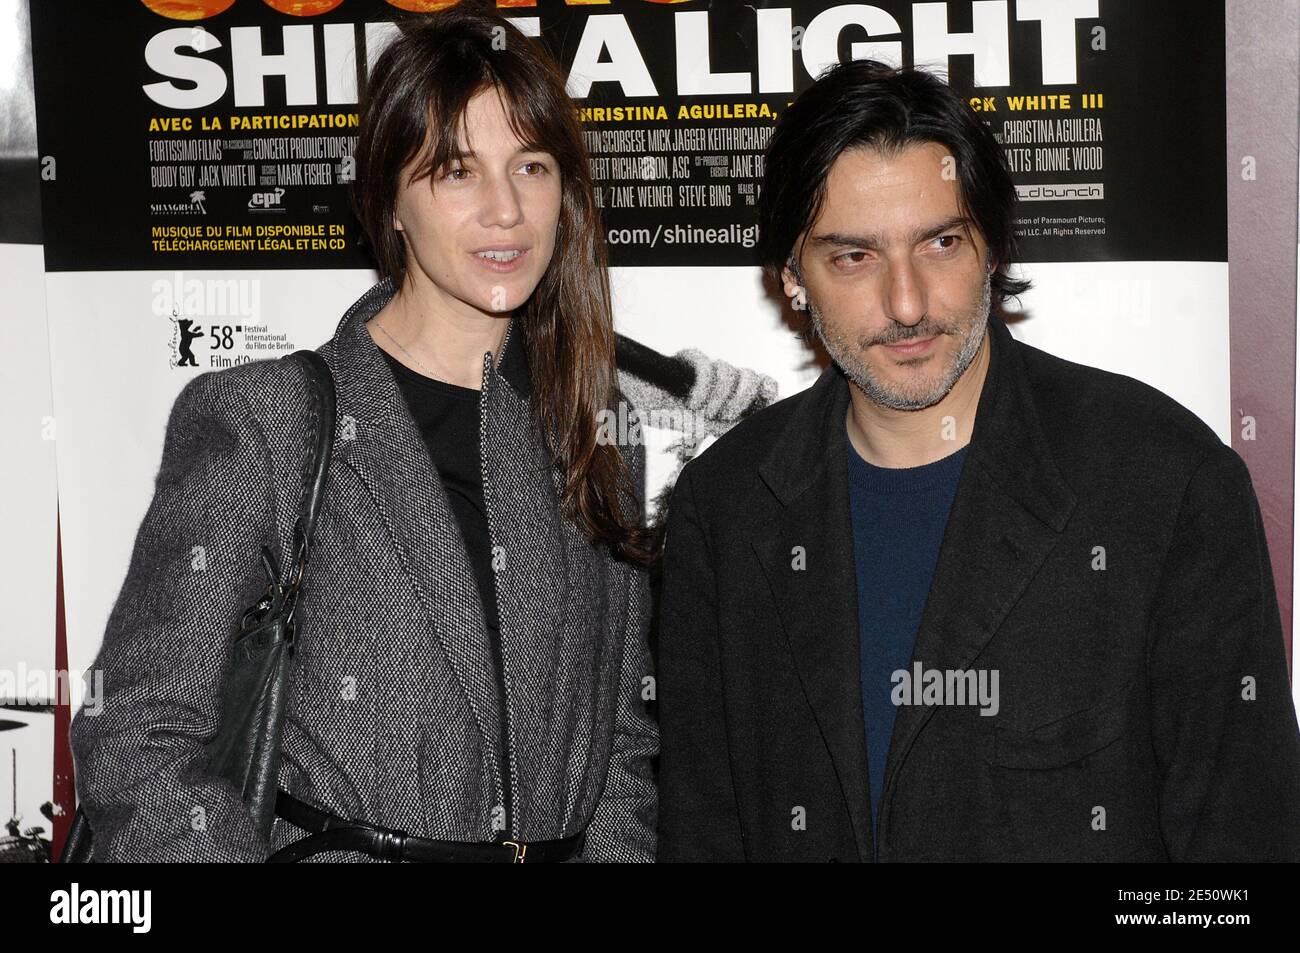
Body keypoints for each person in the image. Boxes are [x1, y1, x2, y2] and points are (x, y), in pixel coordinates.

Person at [656, 58, 1300, 862]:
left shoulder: (1165, 484)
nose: (908, 303)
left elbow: (1240, 850)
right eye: (853, 257)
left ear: (991, 246)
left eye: (941, 242)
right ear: (791, 277)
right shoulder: (724, 507)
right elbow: (703, 830)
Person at [69, 4, 656, 862]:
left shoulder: (601, 429)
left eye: (531, 166)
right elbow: (142, 729)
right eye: (457, 172)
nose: (506, 211)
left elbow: (624, 752)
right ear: (389, 201)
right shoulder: (265, 422)